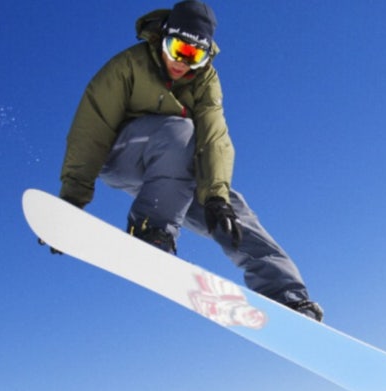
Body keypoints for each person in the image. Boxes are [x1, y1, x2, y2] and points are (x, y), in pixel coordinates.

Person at [51, 0, 323, 321]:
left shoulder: (205, 80)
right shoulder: (127, 67)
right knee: (180, 130)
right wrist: (72, 197)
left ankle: (287, 296)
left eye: (194, 55)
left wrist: (216, 198)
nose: (182, 62)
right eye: (178, 49)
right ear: (163, 38)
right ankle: (151, 229)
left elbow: (215, 138)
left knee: (233, 213)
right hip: (123, 156)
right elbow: (90, 131)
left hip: (173, 175)